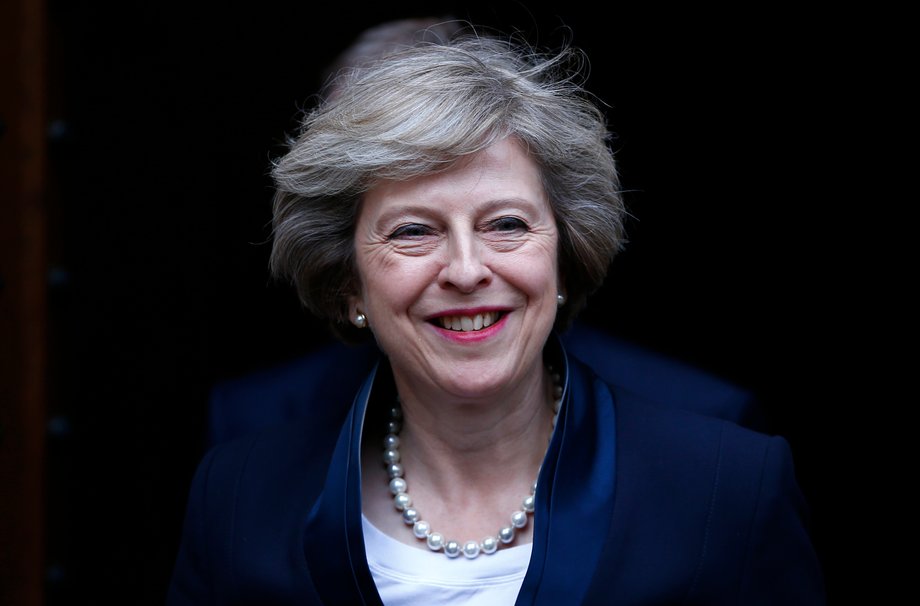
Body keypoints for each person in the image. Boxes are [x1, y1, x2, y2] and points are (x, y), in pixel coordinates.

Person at [168, 26, 825, 605]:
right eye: (413, 232)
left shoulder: (728, 486)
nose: (465, 269)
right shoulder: (238, 495)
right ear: (349, 284)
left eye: (506, 224)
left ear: (565, 259)